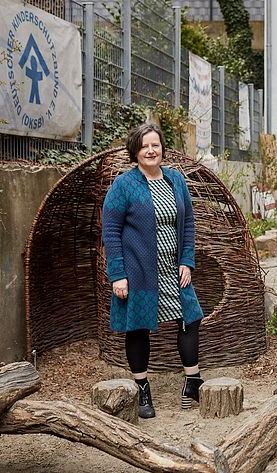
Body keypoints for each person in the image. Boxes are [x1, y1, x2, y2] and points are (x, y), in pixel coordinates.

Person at [102, 123, 204, 419]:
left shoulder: (175, 180)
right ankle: (142, 388)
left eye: (155, 145)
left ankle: (192, 382)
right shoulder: (124, 185)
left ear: (162, 149)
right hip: (139, 271)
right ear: (135, 151)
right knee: (138, 327)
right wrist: (117, 274)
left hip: (174, 269)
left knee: (190, 318)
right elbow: (110, 230)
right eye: (145, 146)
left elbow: (188, 224)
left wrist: (187, 260)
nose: (150, 150)